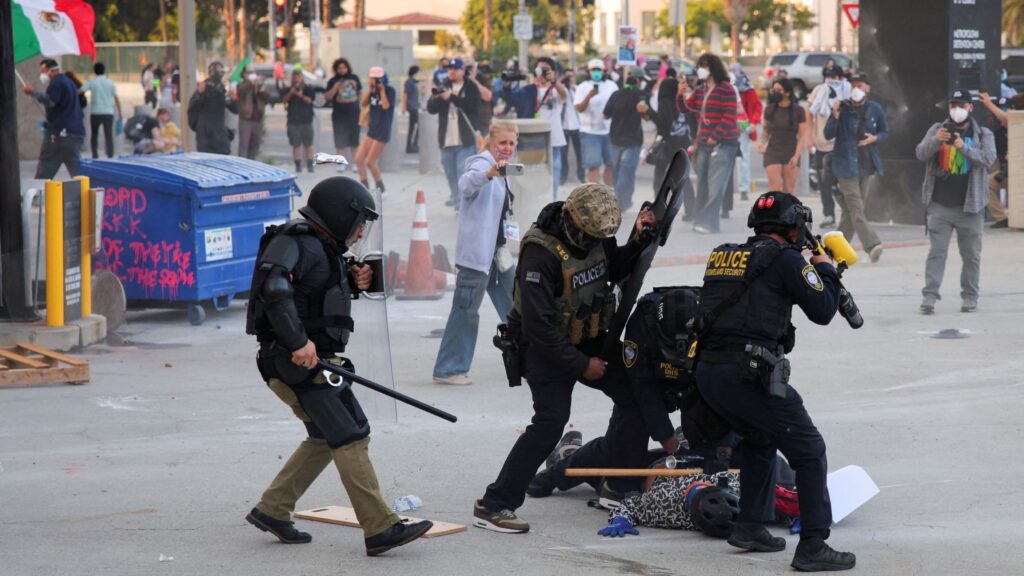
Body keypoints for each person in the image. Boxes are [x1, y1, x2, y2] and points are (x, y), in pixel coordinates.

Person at [244, 176, 433, 556]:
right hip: (295, 360)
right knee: (350, 434)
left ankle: (273, 509)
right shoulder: (293, 241)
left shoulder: (323, 247)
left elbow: (312, 291)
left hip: (310, 360)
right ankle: (380, 528)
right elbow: (276, 291)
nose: (361, 229)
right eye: (358, 221)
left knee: (325, 436)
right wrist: (298, 342)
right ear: (337, 213)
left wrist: (352, 279)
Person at [472, 183, 655, 534]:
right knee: (550, 426)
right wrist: (582, 365)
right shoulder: (540, 253)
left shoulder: (596, 232)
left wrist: (637, 240)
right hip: (543, 349)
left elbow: (610, 269)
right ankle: (494, 504)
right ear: (571, 217)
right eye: (588, 236)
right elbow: (539, 328)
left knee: (636, 392)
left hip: (587, 337)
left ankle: (618, 482)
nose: (592, 243)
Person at [694, 191, 855, 571]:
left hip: (708, 374)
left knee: (760, 437)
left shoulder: (723, 253)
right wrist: (826, 269)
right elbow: (822, 310)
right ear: (794, 227)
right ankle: (814, 544)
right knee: (809, 450)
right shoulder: (785, 260)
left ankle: (750, 526)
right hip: (750, 374)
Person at [431, 121, 520, 385]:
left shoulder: (504, 171)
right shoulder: (481, 164)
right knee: (466, 310)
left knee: (520, 306)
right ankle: (449, 368)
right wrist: (489, 173)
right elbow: (466, 184)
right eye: (502, 143)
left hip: (498, 254)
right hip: (477, 256)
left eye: (512, 143)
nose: (507, 148)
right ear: (490, 143)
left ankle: (531, 359)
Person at [914, 90, 996, 314]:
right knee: (936, 253)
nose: (956, 110)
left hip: (970, 206)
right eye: (953, 106)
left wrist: (963, 147)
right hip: (939, 205)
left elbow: (988, 159)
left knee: (971, 255)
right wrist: (935, 142)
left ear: (971, 107)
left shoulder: (983, 134)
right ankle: (929, 297)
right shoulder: (937, 129)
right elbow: (920, 153)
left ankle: (970, 296)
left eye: (961, 105)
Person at [824, 73, 888, 263]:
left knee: (852, 211)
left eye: (860, 85)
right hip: (845, 166)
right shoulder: (842, 108)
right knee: (856, 208)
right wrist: (834, 116)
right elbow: (828, 134)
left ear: (867, 88)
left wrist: (873, 138)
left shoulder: (875, 109)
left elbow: (885, 131)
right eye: (853, 86)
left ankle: (835, 250)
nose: (856, 89)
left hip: (866, 166)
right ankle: (872, 245)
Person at [682, 53, 742, 234]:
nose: (701, 69)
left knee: (715, 185)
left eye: (705, 66)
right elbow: (686, 108)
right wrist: (681, 93)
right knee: (702, 184)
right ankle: (700, 220)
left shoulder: (726, 89)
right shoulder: (701, 90)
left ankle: (709, 223)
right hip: (704, 144)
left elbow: (730, 115)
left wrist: (716, 135)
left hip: (723, 144)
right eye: (700, 65)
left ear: (713, 68)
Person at [503, 57, 568, 199]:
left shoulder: (556, 89)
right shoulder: (528, 90)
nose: (542, 72)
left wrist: (554, 81)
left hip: (554, 140)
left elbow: (565, 95)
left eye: (546, 69)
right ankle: (533, 202)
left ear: (553, 72)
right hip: (533, 139)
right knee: (531, 174)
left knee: (554, 174)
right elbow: (511, 100)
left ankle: (553, 202)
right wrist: (507, 86)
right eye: (540, 69)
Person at [426, 58, 480, 209]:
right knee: (450, 174)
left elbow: (471, 106)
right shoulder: (443, 86)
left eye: (455, 69)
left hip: (465, 140)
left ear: (463, 71)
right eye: (449, 68)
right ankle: (457, 201)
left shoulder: (470, 87)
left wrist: (452, 97)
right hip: (446, 140)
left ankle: (463, 205)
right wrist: (437, 98)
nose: (451, 71)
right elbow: (430, 109)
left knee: (463, 174)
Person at [23, 59, 85, 179]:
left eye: (43, 71)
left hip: (58, 136)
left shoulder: (56, 83)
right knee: (78, 174)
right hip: (74, 134)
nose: (42, 75)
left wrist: (32, 92)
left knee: (44, 172)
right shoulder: (69, 82)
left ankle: (39, 195)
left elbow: (50, 101)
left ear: (50, 70)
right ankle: (84, 194)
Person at [603, 68, 650, 210]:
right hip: (633, 139)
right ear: (638, 81)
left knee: (618, 171)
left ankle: (623, 202)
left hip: (615, 138)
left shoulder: (616, 94)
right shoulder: (642, 95)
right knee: (627, 171)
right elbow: (647, 117)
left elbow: (605, 115)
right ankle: (619, 201)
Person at [807, 65, 848, 229]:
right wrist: (810, 137)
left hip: (839, 146)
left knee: (841, 183)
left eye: (834, 76)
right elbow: (809, 113)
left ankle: (847, 213)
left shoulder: (845, 91)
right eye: (828, 76)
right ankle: (829, 214)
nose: (830, 79)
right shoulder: (819, 90)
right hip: (821, 145)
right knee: (823, 181)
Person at [759, 78, 808, 195]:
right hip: (773, 150)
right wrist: (762, 144)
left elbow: (801, 136)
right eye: (773, 89)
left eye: (779, 90)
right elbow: (765, 131)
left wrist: (796, 156)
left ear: (787, 92)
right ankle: (774, 213)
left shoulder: (798, 111)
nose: (775, 92)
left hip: (790, 150)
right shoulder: (769, 109)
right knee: (773, 188)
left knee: (788, 190)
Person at [575, 59, 619, 186]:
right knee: (593, 165)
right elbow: (579, 108)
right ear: (589, 71)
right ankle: (595, 194)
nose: (596, 72)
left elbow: (618, 105)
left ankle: (608, 193)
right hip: (589, 132)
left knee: (610, 164)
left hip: (609, 130)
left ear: (604, 71)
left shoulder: (612, 85)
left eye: (599, 70)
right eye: (593, 70)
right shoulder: (583, 87)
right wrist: (589, 96)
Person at [647, 78, 691, 198]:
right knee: (683, 178)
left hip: (667, 145)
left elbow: (662, 124)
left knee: (659, 178)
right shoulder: (681, 102)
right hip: (682, 143)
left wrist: (649, 113)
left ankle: (658, 207)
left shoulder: (664, 102)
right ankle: (691, 210)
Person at [977, 91, 1015, 229]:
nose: (1001, 113)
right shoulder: (998, 134)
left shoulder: (1019, 125)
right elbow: (993, 158)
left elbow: (1008, 119)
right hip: (1008, 174)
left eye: (1006, 110)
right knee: (984, 182)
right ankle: (1002, 218)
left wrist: (988, 103)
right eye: (1000, 109)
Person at [355, 67, 395, 195]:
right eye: (372, 78)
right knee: (358, 159)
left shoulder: (390, 90)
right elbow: (364, 102)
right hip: (372, 128)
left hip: (383, 130)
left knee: (370, 161)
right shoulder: (372, 91)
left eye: (377, 79)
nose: (375, 81)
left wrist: (382, 90)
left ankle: (381, 189)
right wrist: (371, 89)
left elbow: (386, 106)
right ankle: (364, 186)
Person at [730, 63, 762, 202]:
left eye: (734, 71)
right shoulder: (725, 87)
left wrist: (753, 122)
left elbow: (757, 107)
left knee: (744, 159)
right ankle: (729, 189)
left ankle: (743, 189)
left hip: (743, 127)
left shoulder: (748, 89)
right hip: (727, 127)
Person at [324, 58, 362, 173]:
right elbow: (327, 97)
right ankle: (340, 164)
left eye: (344, 67)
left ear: (347, 67)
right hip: (339, 114)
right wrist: (335, 88)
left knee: (354, 140)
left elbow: (360, 93)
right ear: (336, 69)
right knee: (339, 139)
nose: (342, 70)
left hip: (354, 112)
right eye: (339, 68)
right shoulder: (332, 81)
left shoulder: (354, 78)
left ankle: (355, 163)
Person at [189, 62, 235, 155]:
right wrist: (200, 94)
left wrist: (232, 98)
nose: (219, 75)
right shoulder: (204, 88)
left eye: (220, 72)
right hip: (206, 138)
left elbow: (235, 108)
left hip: (219, 136)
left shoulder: (222, 89)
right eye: (216, 72)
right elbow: (192, 110)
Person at [79, 62, 122, 159]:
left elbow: (80, 91)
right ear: (104, 70)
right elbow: (116, 98)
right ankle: (110, 155)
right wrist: (120, 112)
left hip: (95, 112)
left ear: (94, 71)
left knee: (94, 134)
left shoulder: (92, 82)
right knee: (108, 134)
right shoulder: (110, 82)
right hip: (108, 112)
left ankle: (95, 154)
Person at [282, 69, 316, 173]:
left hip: (306, 120)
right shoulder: (289, 89)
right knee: (296, 145)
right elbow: (284, 100)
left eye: (298, 77)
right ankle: (298, 166)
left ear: (302, 78)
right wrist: (291, 93)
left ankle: (310, 165)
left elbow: (310, 100)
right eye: (295, 77)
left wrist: (300, 95)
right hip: (293, 121)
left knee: (308, 144)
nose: (297, 79)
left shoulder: (308, 88)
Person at [236, 66, 269, 160]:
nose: (252, 74)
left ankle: (252, 166)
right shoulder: (242, 84)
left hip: (257, 119)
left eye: (253, 72)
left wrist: (262, 90)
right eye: (249, 72)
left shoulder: (258, 84)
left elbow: (266, 99)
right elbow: (241, 92)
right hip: (246, 118)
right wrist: (251, 82)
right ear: (245, 74)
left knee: (255, 145)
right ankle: (242, 167)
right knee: (244, 145)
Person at [560, 70, 586, 185]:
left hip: (577, 126)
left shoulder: (579, 89)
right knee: (563, 154)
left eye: (572, 76)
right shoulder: (563, 90)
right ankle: (563, 175)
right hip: (565, 126)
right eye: (568, 77)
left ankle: (581, 175)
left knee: (580, 153)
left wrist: (576, 91)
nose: (570, 79)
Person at [402, 65, 421, 154]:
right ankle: (412, 145)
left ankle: (412, 145)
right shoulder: (409, 82)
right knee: (415, 126)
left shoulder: (414, 82)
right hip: (412, 107)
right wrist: (404, 107)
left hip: (415, 106)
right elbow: (405, 94)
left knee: (414, 126)